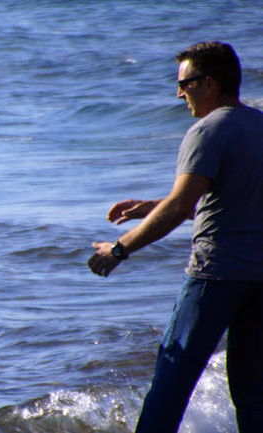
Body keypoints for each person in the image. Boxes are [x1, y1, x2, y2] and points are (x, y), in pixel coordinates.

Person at [87, 42, 263, 432]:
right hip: (259, 278)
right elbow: (234, 194)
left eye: (184, 83)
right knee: (253, 392)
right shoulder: (258, 125)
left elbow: (183, 206)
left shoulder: (208, 129)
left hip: (215, 276)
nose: (179, 92)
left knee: (171, 382)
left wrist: (119, 249)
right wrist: (152, 205)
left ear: (209, 84)